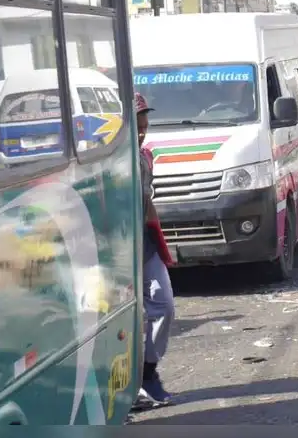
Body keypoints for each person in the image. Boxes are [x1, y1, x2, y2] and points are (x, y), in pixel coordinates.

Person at [133, 93, 177, 409]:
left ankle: (149, 372)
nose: (141, 132)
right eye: (135, 126)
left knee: (164, 304)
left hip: (145, 246)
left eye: (145, 126)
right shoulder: (108, 162)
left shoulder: (145, 158)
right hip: (119, 252)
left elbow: (148, 203)